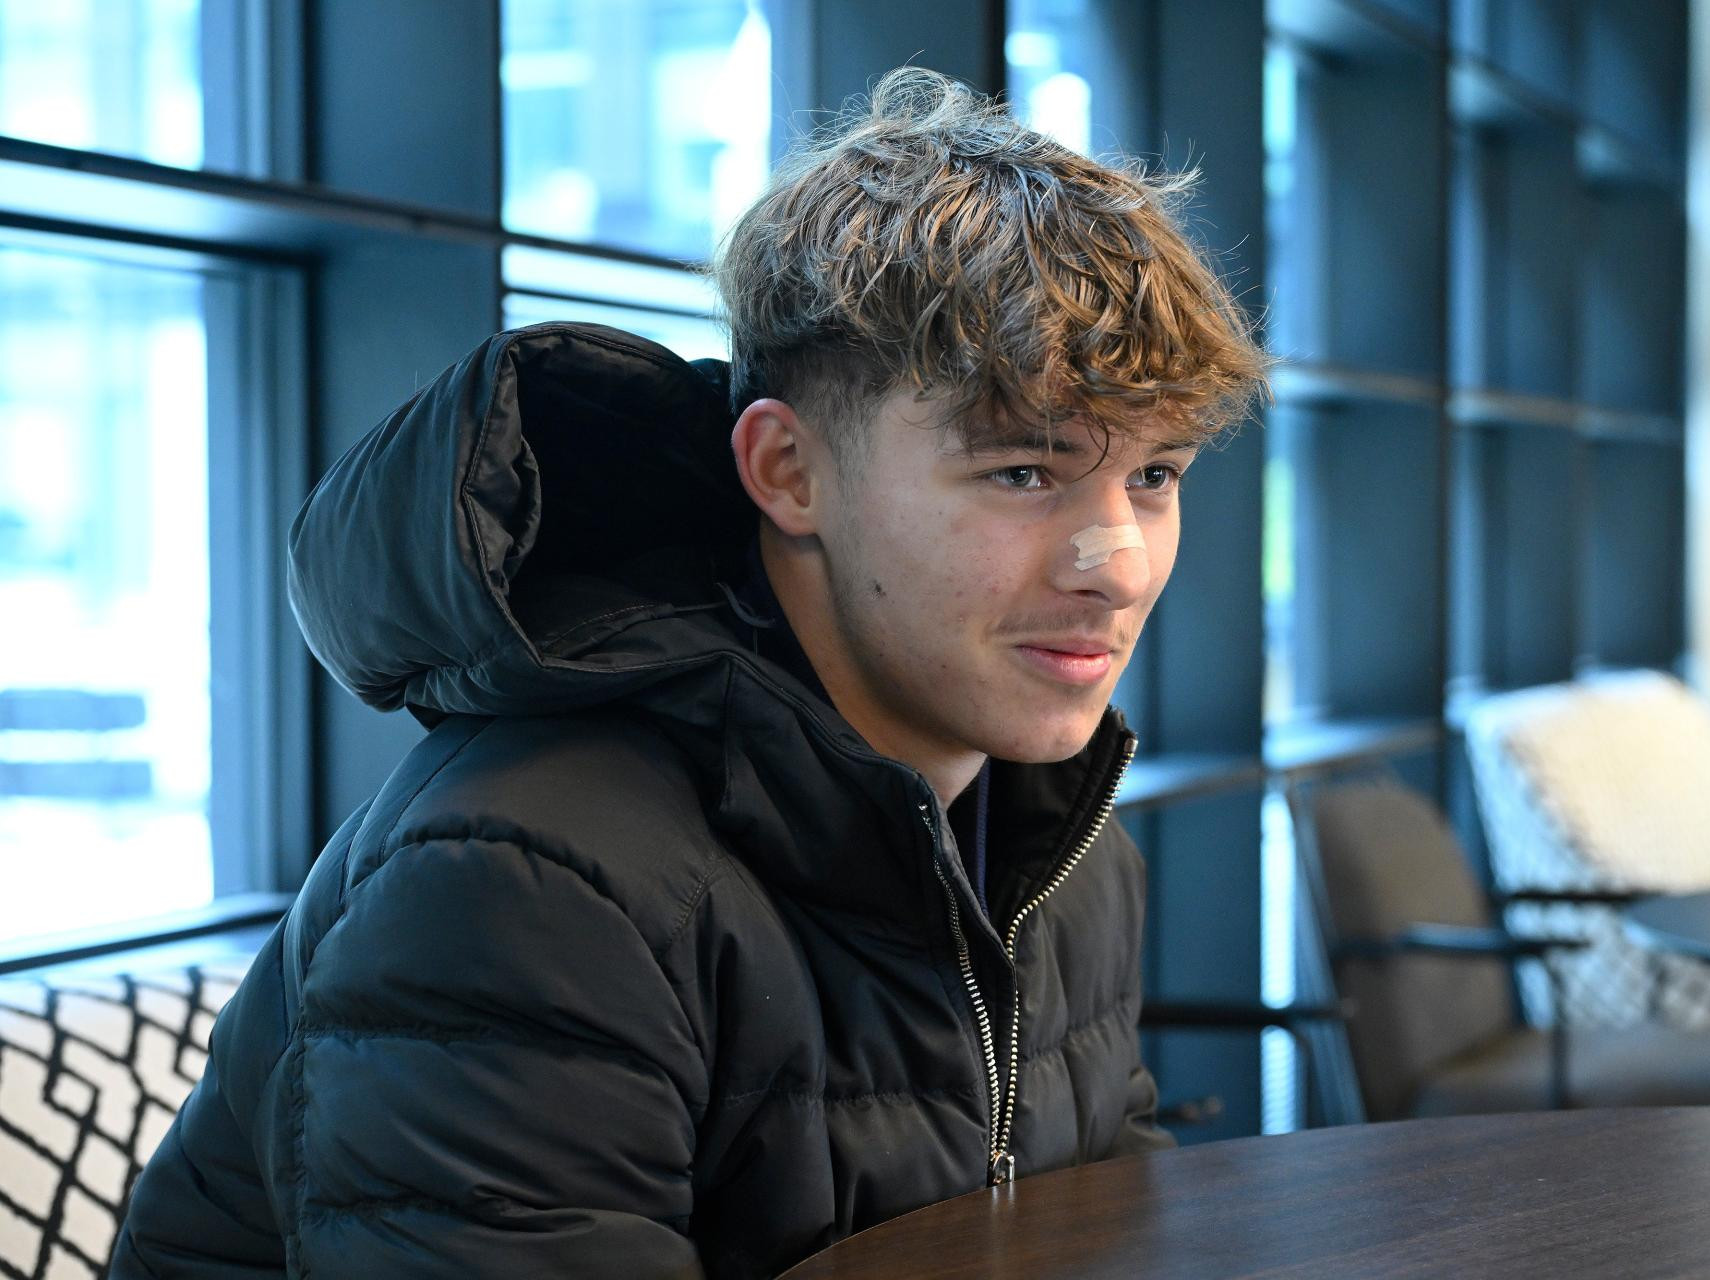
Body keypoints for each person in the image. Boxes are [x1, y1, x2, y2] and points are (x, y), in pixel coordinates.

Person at [111, 67, 1270, 1279]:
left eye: (1155, 475)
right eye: (1024, 472)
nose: (1116, 564)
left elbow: (1102, 1225)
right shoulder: (533, 880)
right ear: (789, 471)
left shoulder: (1060, 841)